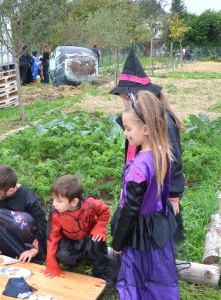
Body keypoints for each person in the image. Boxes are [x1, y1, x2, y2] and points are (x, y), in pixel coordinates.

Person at [109, 48, 186, 244]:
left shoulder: (162, 123)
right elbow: (130, 155)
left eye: (125, 99)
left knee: (160, 234)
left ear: (136, 97)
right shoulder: (135, 123)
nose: (123, 103)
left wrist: (174, 197)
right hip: (140, 186)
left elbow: (174, 161)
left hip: (157, 192)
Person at [110, 90, 179, 298]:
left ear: (146, 128)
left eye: (128, 128)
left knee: (135, 275)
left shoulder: (139, 168)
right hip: (155, 223)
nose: (125, 133)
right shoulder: (162, 151)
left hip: (138, 231)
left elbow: (130, 210)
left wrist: (118, 244)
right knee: (155, 270)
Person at [43, 175, 115, 286]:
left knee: (97, 242)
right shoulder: (56, 214)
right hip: (71, 240)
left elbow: (105, 211)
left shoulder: (90, 204)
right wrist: (51, 261)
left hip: (89, 237)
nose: (54, 204)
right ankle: (76, 261)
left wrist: (99, 228)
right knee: (63, 255)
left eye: (59, 201)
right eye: (53, 199)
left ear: (74, 201)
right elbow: (52, 237)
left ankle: (100, 272)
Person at [0, 165, 47, 264]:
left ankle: (26, 255)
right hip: (3, 238)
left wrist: (35, 249)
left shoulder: (27, 197)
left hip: (25, 241)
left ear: (10, 190)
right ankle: (6, 252)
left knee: (23, 219)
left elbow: (41, 223)